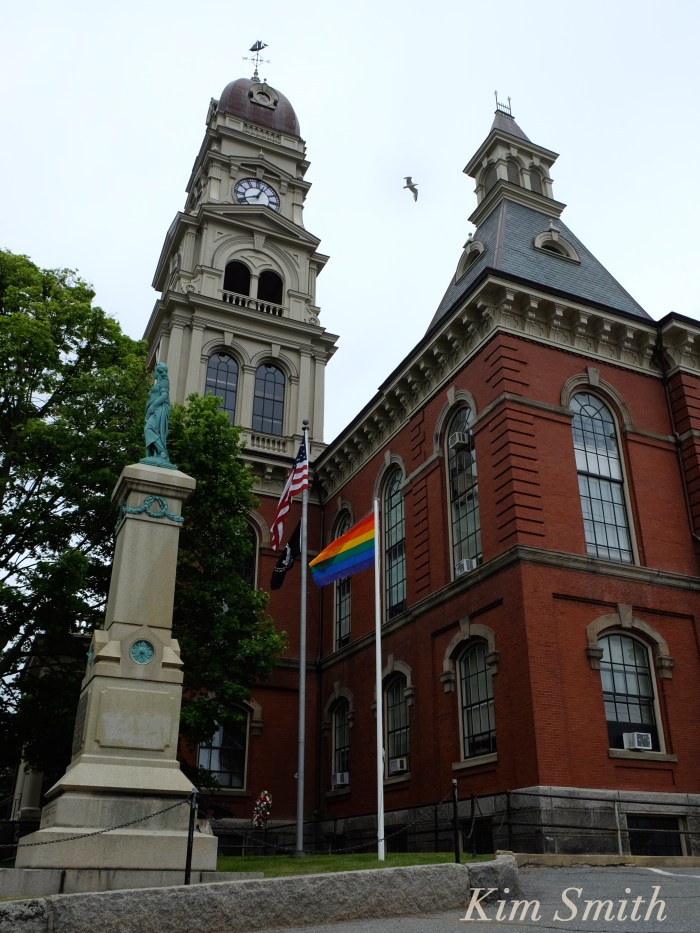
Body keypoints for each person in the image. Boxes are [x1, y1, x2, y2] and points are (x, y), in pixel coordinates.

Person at [144, 362, 171, 462]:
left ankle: (162, 452)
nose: (154, 373)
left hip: (159, 409)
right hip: (152, 410)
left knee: (149, 428)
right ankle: (159, 453)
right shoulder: (158, 383)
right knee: (151, 429)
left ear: (159, 372)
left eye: (155, 371)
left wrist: (153, 406)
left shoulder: (164, 382)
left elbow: (164, 396)